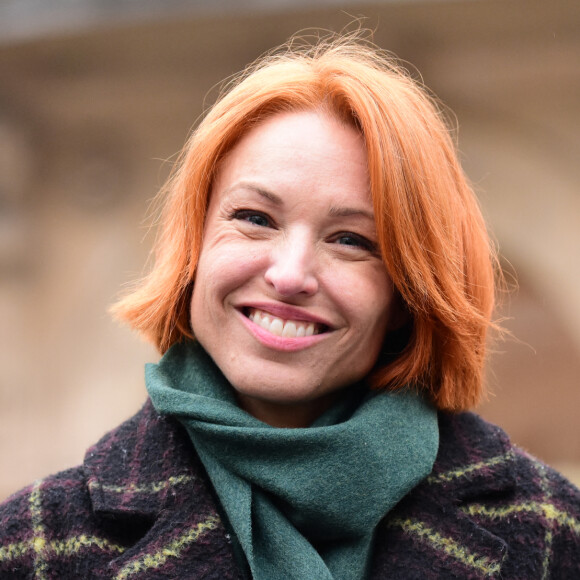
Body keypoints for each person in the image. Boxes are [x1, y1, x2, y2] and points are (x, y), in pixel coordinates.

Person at [1, 32, 579, 580]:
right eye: (254, 219)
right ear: (194, 247)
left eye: (352, 240)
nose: (290, 275)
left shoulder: (554, 536)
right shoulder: (35, 546)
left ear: (408, 294)